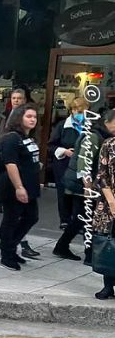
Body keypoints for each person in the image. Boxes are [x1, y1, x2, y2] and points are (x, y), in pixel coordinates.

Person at [55, 110, 115, 266]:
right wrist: (88, 188)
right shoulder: (94, 136)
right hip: (81, 184)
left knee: (80, 219)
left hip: (81, 183)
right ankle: (89, 254)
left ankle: (63, 246)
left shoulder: (99, 135)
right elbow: (84, 164)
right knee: (86, 219)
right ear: (108, 122)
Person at [0, 105, 41, 271]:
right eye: (28, 116)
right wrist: (19, 187)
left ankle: (9, 246)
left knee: (31, 216)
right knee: (11, 219)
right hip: (13, 186)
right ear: (19, 118)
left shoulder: (29, 138)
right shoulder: (11, 139)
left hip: (30, 185)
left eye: (34, 116)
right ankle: (7, 255)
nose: (32, 119)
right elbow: (10, 163)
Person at [49, 97, 87, 230]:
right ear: (72, 110)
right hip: (64, 164)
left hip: (82, 164)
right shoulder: (62, 126)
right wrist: (64, 151)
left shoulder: (90, 126)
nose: (80, 114)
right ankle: (65, 219)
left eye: (83, 111)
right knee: (63, 192)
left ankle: (78, 221)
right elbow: (51, 145)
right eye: (78, 111)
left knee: (80, 193)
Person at [90, 118, 115, 300]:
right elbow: (102, 175)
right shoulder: (109, 144)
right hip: (109, 203)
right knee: (109, 243)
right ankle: (108, 286)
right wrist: (112, 202)